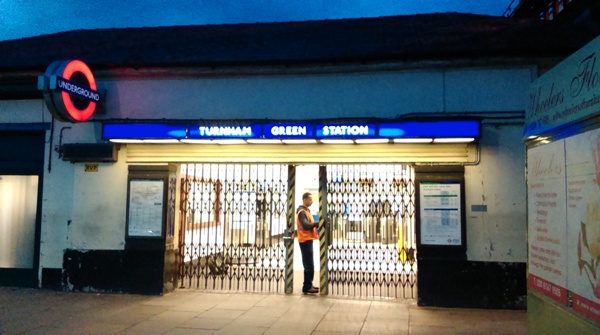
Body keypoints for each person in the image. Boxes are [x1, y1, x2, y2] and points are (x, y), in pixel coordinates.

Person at [296, 192, 319, 294]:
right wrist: (316, 224)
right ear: (304, 199)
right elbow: (305, 225)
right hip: (304, 240)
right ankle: (307, 286)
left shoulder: (306, 211)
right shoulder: (302, 212)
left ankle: (309, 284)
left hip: (308, 239)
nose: (311, 201)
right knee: (308, 265)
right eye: (310, 199)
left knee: (310, 264)